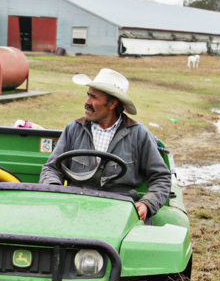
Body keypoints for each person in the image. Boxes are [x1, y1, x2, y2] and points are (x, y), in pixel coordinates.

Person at [38, 68, 171, 221]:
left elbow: (161, 177)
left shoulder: (138, 134)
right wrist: (55, 188)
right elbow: (51, 169)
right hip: (75, 208)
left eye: (94, 97)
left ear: (112, 103)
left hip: (120, 211)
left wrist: (147, 203)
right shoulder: (74, 129)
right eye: (88, 95)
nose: (87, 102)